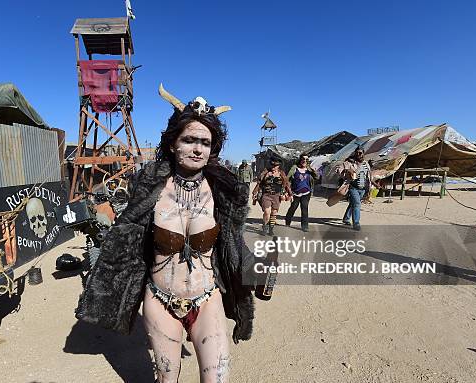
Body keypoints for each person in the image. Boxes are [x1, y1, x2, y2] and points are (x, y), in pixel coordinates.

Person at [76, 84, 254, 383]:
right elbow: (125, 239)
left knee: (218, 378)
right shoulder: (151, 187)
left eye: (206, 143)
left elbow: (233, 243)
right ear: (174, 143)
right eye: (190, 140)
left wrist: (254, 270)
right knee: (166, 379)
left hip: (206, 298)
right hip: (160, 302)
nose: (198, 148)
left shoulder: (223, 191)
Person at [252, 157, 291, 235]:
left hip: (276, 196)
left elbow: (286, 184)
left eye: (275, 165)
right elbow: (259, 183)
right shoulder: (266, 173)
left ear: (278, 166)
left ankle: (271, 229)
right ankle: (265, 227)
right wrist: (255, 193)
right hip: (266, 195)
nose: (273, 167)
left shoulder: (282, 173)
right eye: (272, 165)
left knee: (273, 213)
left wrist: (290, 194)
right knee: (267, 212)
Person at [336, 147, 371, 231]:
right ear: (355, 153)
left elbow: (368, 176)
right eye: (357, 153)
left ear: (363, 154)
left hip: (362, 188)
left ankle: (346, 218)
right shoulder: (349, 163)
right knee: (357, 204)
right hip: (353, 187)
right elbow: (338, 170)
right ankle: (356, 223)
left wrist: (370, 187)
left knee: (353, 204)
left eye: (360, 153)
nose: (359, 154)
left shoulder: (366, 164)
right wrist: (347, 171)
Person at [285, 153, 319, 232]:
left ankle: (305, 226)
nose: (304, 161)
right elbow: (287, 178)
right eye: (303, 159)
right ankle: (288, 220)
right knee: (293, 207)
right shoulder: (295, 168)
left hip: (306, 193)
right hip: (295, 193)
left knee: (304, 209)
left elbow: (316, 177)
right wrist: (287, 190)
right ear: (300, 160)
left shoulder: (309, 169)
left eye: (306, 159)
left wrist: (313, 171)